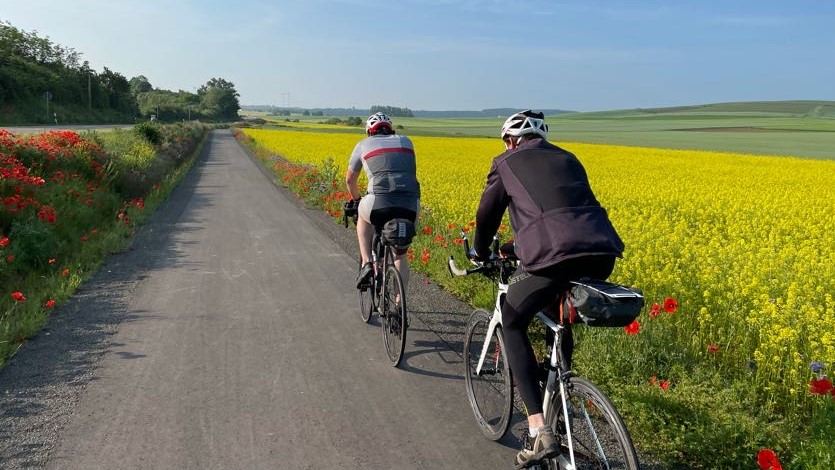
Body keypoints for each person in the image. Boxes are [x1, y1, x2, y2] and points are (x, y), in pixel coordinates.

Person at [471, 110, 624, 468]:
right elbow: (561, 212)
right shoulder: (568, 158)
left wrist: (480, 251)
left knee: (511, 319)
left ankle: (539, 430)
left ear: (510, 141)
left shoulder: (506, 161)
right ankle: (561, 384)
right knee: (558, 312)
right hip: (601, 252)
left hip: (556, 254)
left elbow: (486, 214)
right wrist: (518, 245)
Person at [345, 112, 421, 290]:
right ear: (391, 130)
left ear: (369, 132)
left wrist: (357, 200)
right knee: (400, 255)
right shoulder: (406, 141)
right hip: (410, 205)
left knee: (363, 219)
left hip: (378, 202)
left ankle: (366, 263)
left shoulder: (362, 145)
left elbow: (350, 181)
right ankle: (398, 306)